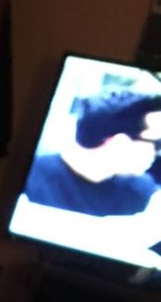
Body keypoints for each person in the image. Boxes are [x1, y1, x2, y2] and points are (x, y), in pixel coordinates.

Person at [26, 89, 161, 217]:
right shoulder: (28, 178)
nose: (158, 152)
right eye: (157, 143)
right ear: (120, 143)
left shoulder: (142, 191)